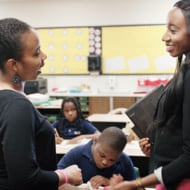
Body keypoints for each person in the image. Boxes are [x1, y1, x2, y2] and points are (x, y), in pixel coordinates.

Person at [104, 0, 190, 189]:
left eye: (173, 31)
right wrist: (158, 146)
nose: (164, 37)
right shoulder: (183, 72)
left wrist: (136, 183)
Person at [0, 18, 83, 190]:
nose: (44, 57)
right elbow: (25, 180)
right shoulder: (17, 105)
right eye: (36, 53)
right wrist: (66, 175)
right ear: (13, 65)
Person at [57, 127, 137, 189]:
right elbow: (55, 181)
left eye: (112, 160)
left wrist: (109, 183)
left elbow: (137, 187)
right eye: (102, 155)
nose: (105, 162)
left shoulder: (124, 160)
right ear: (95, 141)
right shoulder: (77, 154)